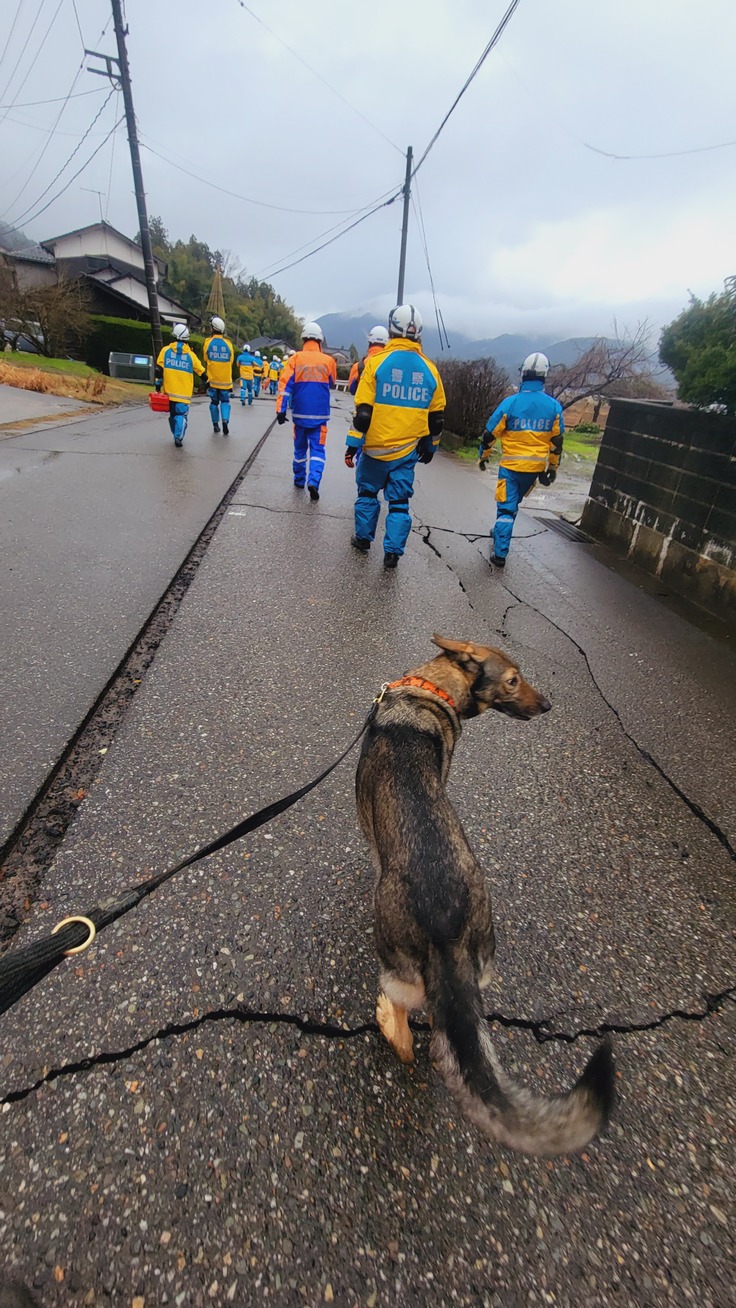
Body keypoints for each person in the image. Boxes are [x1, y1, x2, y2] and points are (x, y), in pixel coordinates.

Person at [346, 305, 445, 569]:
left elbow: (363, 414)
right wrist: (432, 447)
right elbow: (436, 419)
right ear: (419, 333)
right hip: (407, 452)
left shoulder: (376, 363)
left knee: (367, 494)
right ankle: (392, 553)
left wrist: (352, 445)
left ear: (391, 329)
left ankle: (364, 539)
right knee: (399, 502)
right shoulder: (430, 369)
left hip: (374, 450)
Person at [478, 351, 564, 568]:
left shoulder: (510, 403)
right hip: (534, 469)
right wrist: (552, 468)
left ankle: (500, 554)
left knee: (506, 509)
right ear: (544, 376)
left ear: (523, 374)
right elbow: (557, 443)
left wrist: (484, 456)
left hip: (511, 466)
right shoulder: (554, 407)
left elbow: (490, 434)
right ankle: (500, 532)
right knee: (513, 504)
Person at [276, 322, 337, 501]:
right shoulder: (329, 361)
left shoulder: (295, 359)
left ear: (304, 339)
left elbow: (285, 386)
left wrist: (281, 410)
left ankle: (299, 480)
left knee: (300, 450)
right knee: (318, 450)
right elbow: (332, 381)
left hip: (300, 415)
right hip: (320, 416)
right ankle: (314, 481)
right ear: (319, 340)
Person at [155, 322, 205, 448]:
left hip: (169, 393)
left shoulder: (165, 351)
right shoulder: (191, 355)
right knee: (181, 416)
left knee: (172, 416)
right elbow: (201, 371)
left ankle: (175, 434)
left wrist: (157, 386)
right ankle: (178, 436)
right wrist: (207, 383)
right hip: (183, 394)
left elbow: (158, 371)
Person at [202, 315, 235, 434]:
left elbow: (205, 358)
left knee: (214, 403)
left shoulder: (208, 342)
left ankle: (215, 424)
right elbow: (231, 361)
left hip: (212, 380)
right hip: (225, 381)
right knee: (225, 402)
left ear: (212, 328)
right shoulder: (228, 344)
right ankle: (225, 420)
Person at [348, 325, 389, 395]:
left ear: (370, 343)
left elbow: (352, 389)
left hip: (364, 404)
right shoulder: (391, 363)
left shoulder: (358, 366)